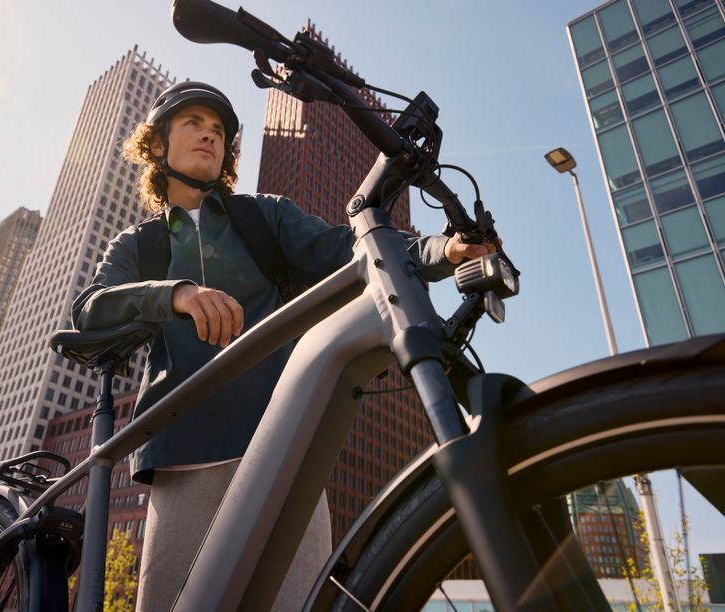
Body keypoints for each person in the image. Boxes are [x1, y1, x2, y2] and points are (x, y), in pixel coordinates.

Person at [71, 81, 493, 611]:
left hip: (282, 443)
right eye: (193, 123)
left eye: (219, 130)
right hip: (183, 455)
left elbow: (349, 249)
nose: (210, 135)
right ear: (157, 145)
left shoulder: (263, 216)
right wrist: (173, 294)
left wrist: (440, 250)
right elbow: (90, 308)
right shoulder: (139, 243)